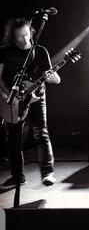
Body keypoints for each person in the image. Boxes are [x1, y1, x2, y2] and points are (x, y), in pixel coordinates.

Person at [0, 18, 60, 188]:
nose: (25, 40)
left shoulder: (40, 51)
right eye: (19, 37)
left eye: (27, 35)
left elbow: (55, 79)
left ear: (31, 32)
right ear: (12, 37)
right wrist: (6, 98)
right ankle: (18, 176)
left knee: (41, 132)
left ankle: (48, 173)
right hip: (10, 100)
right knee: (13, 138)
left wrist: (52, 76)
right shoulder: (5, 52)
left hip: (36, 97)